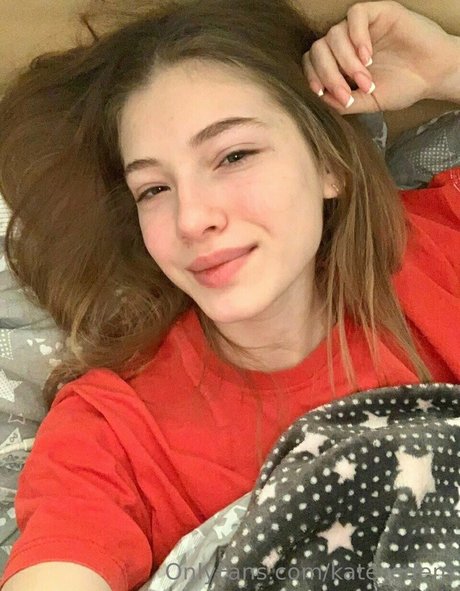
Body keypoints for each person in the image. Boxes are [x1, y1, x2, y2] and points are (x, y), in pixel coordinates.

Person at [0, 0, 458, 589]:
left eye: (234, 155)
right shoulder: (112, 429)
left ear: (330, 164)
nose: (192, 219)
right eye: (154, 189)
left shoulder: (440, 245)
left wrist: (449, 68)